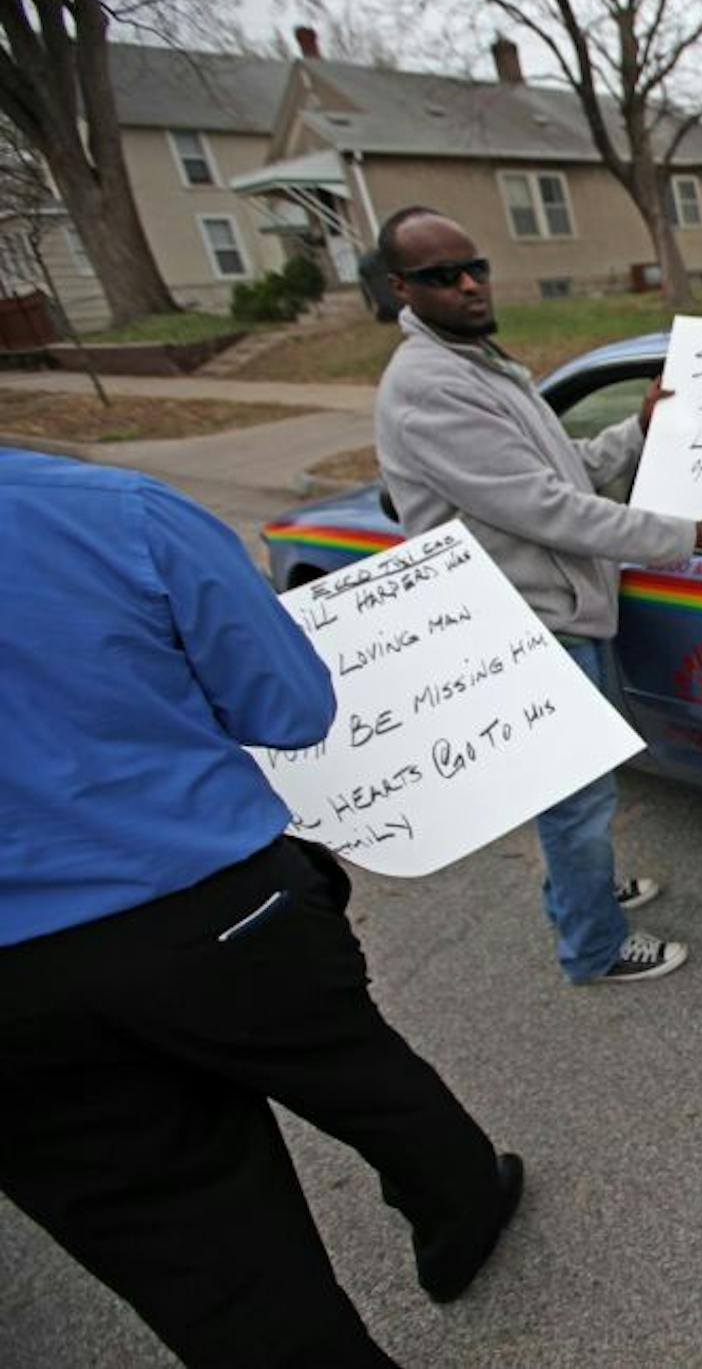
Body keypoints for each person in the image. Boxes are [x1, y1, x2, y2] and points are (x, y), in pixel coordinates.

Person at [0, 449, 522, 1368]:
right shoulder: (119, 514)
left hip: (18, 1007)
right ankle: (464, 1214)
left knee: (206, 1264)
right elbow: (288, 707)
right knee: (366, 1079)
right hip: (215, 911)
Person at [373, 206, 702, 985]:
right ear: (401, 287)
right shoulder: (429, 387)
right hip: (524, 626)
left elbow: (564, 472)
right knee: (577, 799)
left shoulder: (479, 362)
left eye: (476, 267)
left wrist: (636, 427)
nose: (468, 284)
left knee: (574, 793)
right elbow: (546, 509)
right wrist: (693, 535)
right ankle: (592, 945)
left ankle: (584, 891)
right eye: (440, 276)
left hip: (556, 611)